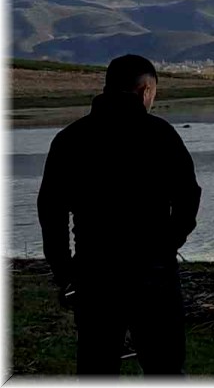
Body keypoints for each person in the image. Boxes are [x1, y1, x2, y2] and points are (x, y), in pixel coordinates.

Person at [37, 54, 202, 376]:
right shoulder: (159, 133)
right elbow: (188, 196)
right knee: (165, 365)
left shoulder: (71, 138)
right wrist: (168, 243)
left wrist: (63, 267)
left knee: (97, 365)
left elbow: (51, 208)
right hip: (153, 270)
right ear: (145, 91)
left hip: (94, 268)